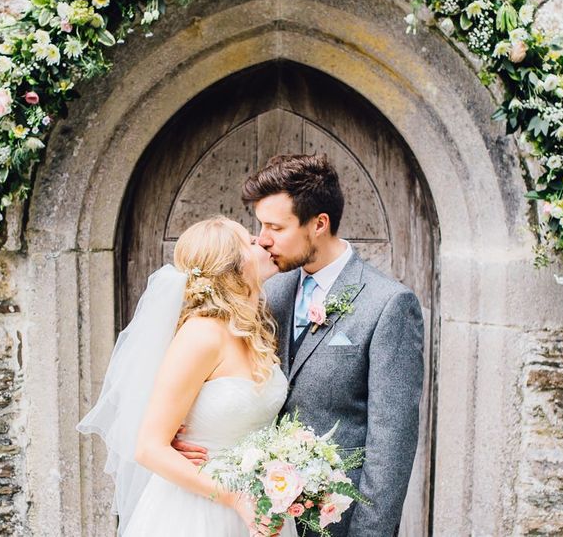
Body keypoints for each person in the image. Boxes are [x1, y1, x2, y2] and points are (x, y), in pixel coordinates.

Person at [176, 155, 425, 537]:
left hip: (339, 522)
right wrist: (184, 429)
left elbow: (392, 441)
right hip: (261, 520)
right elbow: (207, 367)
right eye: (260, 225)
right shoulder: (264, 290)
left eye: (275, 226)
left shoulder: (388, 304)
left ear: (319, 224)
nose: (262, 239)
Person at [77, 216, 297, 537]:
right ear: (232, 267)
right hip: (201, 511)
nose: (262, 242)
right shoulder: (202, 334)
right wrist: (234, 499)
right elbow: (149, 448)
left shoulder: (253, 333)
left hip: (260, 505)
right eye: (250, 242)